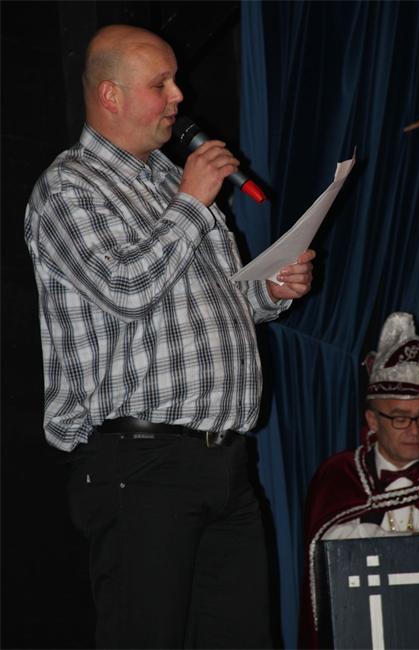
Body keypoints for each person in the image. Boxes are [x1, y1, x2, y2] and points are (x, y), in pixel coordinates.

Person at [24, 24, 315, 650]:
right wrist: (192, 201)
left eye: (175, 81)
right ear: (110, 95)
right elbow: (127, 288)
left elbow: (221, 299)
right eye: (161, 84)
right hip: (140, 465)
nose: (180, 96)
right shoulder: (68, 189)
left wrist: (270, 290)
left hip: (224, 462)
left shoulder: (168, 180)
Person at [298, 311, 419, 649]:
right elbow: (333, 554)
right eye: (400, 419)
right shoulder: (339, 475)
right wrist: (416, 543)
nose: (415, 430)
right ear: (373, 421)